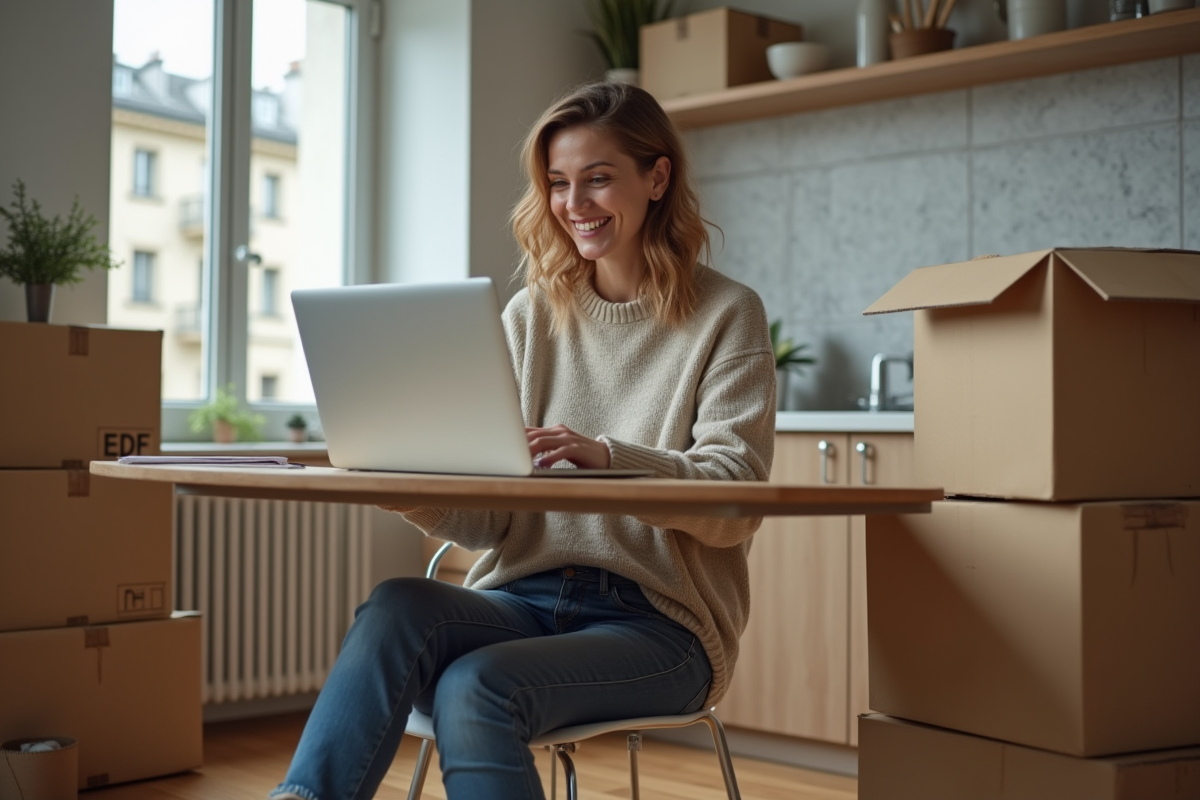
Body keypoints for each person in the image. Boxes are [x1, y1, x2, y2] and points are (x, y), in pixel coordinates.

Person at [271, 81, 776, 800]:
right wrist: (408, 489)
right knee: (396, 608)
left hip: (662, 626)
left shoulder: (728, 314)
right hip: (523, 597)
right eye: (559, 183)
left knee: (477, 685)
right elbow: (492, 522)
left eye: (599, 179)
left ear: (657, 177)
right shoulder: (530, 315)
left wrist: (610, 457)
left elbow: (736, 498)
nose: (575, 204)